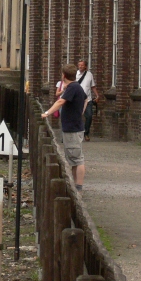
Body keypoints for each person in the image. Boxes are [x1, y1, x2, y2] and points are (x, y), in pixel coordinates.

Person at [41, 64, 87, 192]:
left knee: (77, 159)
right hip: (73, 127)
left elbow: (60, 102)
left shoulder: (73, 87)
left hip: (73, 128)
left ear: (64, 76)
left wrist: (47, 113)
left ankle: (78, 187)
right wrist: (80, 112)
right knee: (72, 158)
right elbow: (85, 99)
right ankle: (74, 186)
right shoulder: (75, 87)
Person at [76, 59, 100, 141]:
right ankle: (77, 133)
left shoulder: (89, 74)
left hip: (88, 99)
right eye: (79, 65)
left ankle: (86, 133)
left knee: (89, 116)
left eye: (82, 65)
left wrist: (97, 95)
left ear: (85, 66)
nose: (80, 66)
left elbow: (92, 86)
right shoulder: (75, 74)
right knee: (77, 117)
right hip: (77, 100)